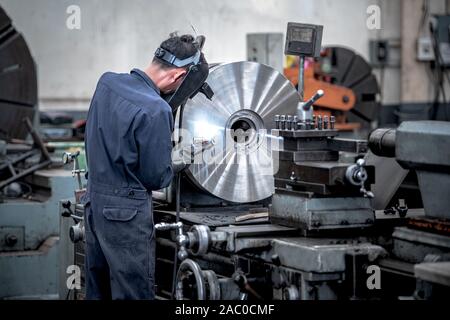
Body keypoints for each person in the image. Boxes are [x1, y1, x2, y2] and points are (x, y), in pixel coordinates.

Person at [82, 34, 207, 299]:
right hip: (125, 215)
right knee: (132, 293)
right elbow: (156, 177)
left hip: (94, 204)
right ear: (177, 76)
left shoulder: (106, 83)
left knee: (98, 289)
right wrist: (180, 157)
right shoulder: (156, 110)